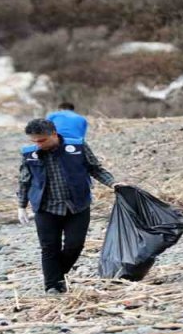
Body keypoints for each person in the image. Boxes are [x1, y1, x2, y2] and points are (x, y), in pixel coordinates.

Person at [16, 118, 122, 294]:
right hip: (45, 207)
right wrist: (21, 206)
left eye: (42, 140)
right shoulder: (29, 154)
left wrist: (113, 184)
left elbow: (95, 169)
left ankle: (57, 275)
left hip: (77, 205)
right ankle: (52, 286)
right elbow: (24, 180)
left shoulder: (77, 147)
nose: (38, 145)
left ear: (54, 134)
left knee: (75, 244)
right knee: (49, 247)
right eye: (34, 141)